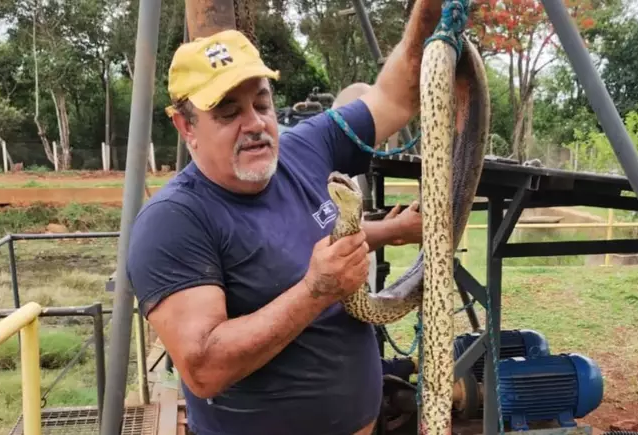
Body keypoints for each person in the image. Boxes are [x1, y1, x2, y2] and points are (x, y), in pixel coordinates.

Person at [127, 2, 445, 433]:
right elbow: (204, 368)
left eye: (261, 103)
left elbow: (396, 95)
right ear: (186, 127)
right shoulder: (174, 221)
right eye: (228, 112)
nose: (254, 124)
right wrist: (315, 291)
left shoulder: (305, 147)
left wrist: (430, 12)